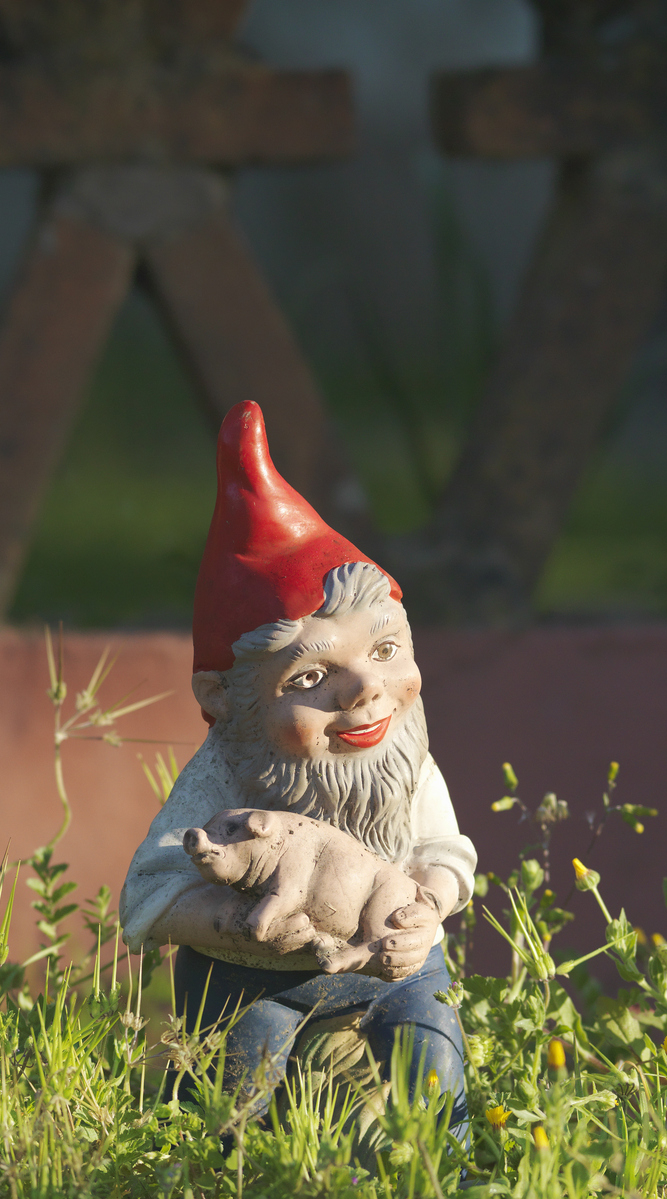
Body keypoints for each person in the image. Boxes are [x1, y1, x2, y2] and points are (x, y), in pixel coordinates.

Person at [122, 400, 476, 1145]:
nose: (363, 691)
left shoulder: (401, 756)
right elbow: (145, 897)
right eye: (312, 676)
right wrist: (240, 930)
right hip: (249, 981)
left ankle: (445, 1179)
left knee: (433, 1061)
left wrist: (426, 915)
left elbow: (445, 853)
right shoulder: (224, 774)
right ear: (223, 699)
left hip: (390, 966)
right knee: (236, 1090)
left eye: (385, 651)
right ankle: (224, 1191)